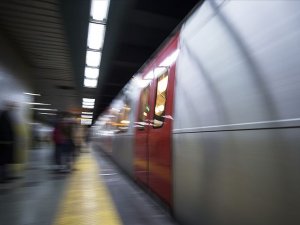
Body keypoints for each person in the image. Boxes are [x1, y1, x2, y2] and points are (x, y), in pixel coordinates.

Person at [0, 102, 16, 182]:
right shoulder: (4, 115)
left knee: (5, 160)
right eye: (12, 106)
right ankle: (2, 177)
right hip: (4, 142)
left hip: (6, 141)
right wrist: (7, 140)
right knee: (3, 160)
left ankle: (5, 175)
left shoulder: (6, 115)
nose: (13, 108)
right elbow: (4, 129)